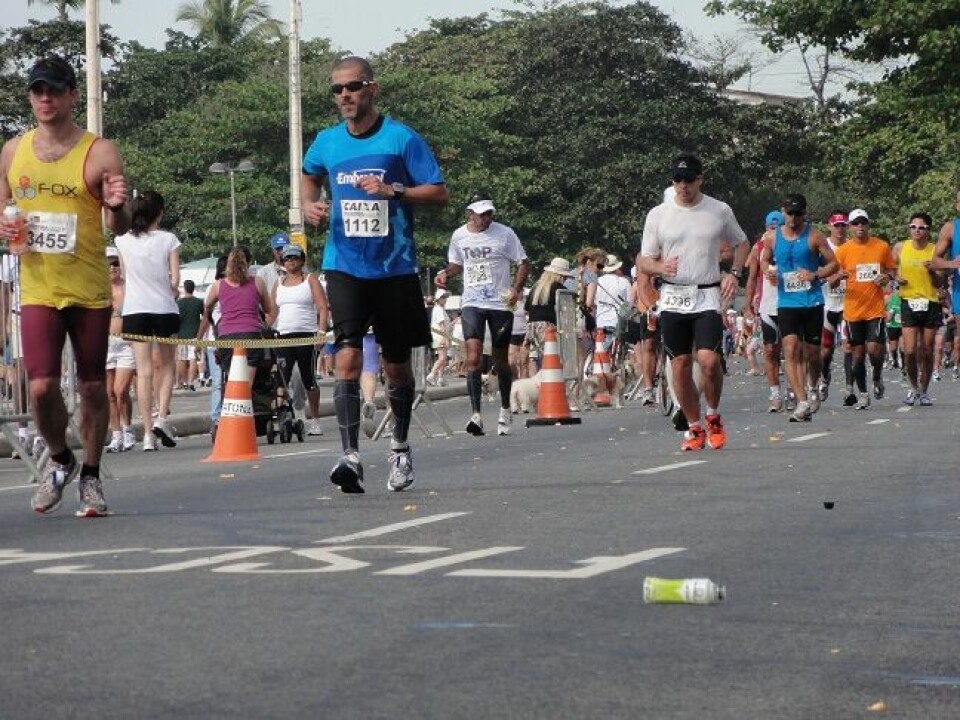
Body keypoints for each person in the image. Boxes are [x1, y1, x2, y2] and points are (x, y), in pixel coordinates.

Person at [301, 55, 448, 494]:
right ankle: (349, 456)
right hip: (344, 264)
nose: (344, 95)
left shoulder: (402, 138)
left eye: (353, 86)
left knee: (396, 365)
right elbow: (309, 177)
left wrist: (394, 189)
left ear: (372, 89)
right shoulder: (326, 142)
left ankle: (399, 448)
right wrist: (310, 204)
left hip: (394, 267)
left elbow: (439, 192)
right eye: (337, 89)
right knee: (346, 356)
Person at [0, 56, 129, 516]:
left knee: (95, 389)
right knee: (40, 388)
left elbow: (120, 223)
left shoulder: (100, 151)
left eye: (54, 90)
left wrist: (116, 205)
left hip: (89, 287)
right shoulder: (14, 152)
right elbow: (5, 214)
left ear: (73, 95)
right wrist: (7, 230)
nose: (45, 98)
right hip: (37, 286)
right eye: (38, 91)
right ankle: (60, 459)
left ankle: (91, 477)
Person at [638, 154, 748, 451]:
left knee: (710, 362)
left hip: (707, 294)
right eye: (677, 180)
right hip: (673, 297)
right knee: (680, 366)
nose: (683, 186)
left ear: (700, 178)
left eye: (688, 180)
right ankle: (694, 426)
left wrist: (734, 274)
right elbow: (644, 259)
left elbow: (741, 242)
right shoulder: (658, 214)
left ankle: (713, 416)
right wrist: (659, 269)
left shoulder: (719, 210)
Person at [436, 194, 530, 437]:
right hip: (472, 302)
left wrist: (516, 290)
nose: (487, 218)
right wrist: (445, 273)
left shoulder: (505, 233)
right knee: (473, 357)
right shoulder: (459, 235)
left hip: (500, 303)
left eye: (490, 213)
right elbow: (457, 264)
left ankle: (506, 408)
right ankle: (475, 414)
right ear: (470, 214)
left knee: (500, 359)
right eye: (482, 214)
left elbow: (523, 262)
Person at [759, 193, 838, 422]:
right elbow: (764, 259)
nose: (794, 218)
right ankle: (802, 402)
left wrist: (815, 274)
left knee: (813, 354)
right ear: (783, 212)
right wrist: (769, 271)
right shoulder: (772, 238)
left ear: (805, 213)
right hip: (786, 303)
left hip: (811, 301)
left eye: (798, 213)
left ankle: (813, 386)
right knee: (791, 349)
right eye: (790, 213)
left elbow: (834, 264)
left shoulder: (814, 236)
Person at [114, 190, 181, 450]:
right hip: (164, 308)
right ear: (160, 213)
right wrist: (168, 287)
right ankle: (161, 418)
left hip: (135, 309)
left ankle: (146, 434)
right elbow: (174, 280)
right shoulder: (169, 239)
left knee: (141, 372)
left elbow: (126, 274)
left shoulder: (122, 240)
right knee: (166, 366)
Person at [833, 208, 897, 409]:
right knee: (857, 355)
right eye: (855, 223)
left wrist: (887, 277)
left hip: (875, 309)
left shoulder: (881, 246)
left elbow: (892, 270)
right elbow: (832, 279)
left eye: (863, 222)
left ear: (868, 224)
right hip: (852, 310)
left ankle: (877, 376)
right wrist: (838, 277)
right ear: (850, 227)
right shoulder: (843, 251)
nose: (860, 226)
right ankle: (862, 394)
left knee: (874, 351)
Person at [272, 242, 329, 435]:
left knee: (308, 378)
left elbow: (322, 307)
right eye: (287, 258)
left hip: (306, 335)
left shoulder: (310, 279)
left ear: (302, 260)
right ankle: (281, 416)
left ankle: (315, 420)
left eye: (294, 257)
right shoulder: (278, 283)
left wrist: (321, 333)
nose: (290, 261)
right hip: (283, 336)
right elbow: (272, 312)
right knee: (281, 377)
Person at [893, 212, 940, 405]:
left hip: (930, 301)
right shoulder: (900, 247)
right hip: (908, 301)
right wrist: (896, 278)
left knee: (927, 350)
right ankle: (913, 388)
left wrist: (933, 271)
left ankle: (924, 390)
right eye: (913, 227)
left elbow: (939, 282)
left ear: (928, 230)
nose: (917, 231)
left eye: (921, 228)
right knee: (910, 350)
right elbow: (889, 269)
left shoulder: (935, 250)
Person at [744, 210, 786, 412]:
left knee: (794, 350)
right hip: (768, 306)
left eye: (777, 229)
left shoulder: (794, 244)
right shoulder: (758, 248)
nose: (774, 232)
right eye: (771, 228)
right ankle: (775, 394)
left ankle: (798, 390)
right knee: (770, 350)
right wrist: (748, 307)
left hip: (792, 304)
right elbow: (752, 278)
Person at [104, 247, 136, 453]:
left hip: (128, 343)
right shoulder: (100, 289)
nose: (112, 267)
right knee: (109, 393)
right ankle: (116, 435)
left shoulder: (130, 287)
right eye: (108, 264)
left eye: (116, 263)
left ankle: (128, 429)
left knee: (120, 390)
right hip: (106, 343)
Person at [818, 210, 850, 402]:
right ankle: (824, 375)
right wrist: (831, 276)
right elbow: (817, 271)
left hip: (848, 303)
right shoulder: (823, 246)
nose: (840, 229)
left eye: (843, 225)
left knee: (849, 346)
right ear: (829, 226)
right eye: (836, 225)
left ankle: (849, 388)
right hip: (827, 303)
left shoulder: (852, 246)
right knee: (826, 348)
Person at [176, 279, 204, 390]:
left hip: (181, 335)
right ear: (194, 288)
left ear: (184, 288)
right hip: (195, 334)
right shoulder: (198, 302)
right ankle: (191, 381)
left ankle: (185, 381)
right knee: (194, 359)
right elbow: (204, 316)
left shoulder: (179, 303)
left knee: (182, 359)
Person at [426, 288, 452, 386]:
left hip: (439, 336)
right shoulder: (439, 310)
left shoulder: (439, 309)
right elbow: (442, 326)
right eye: (443, 297)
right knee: (442, 358)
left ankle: (440, 378)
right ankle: (432, 375)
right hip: (440, 337)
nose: (445, 299)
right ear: (439, 299)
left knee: (443, 358)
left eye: (445, 297)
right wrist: (445, 339)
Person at [257, 232, 289, 297]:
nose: (281, 252)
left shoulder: (299, 269)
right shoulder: (263, 273)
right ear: (273, 250)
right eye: (278, 249)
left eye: (284, 248)